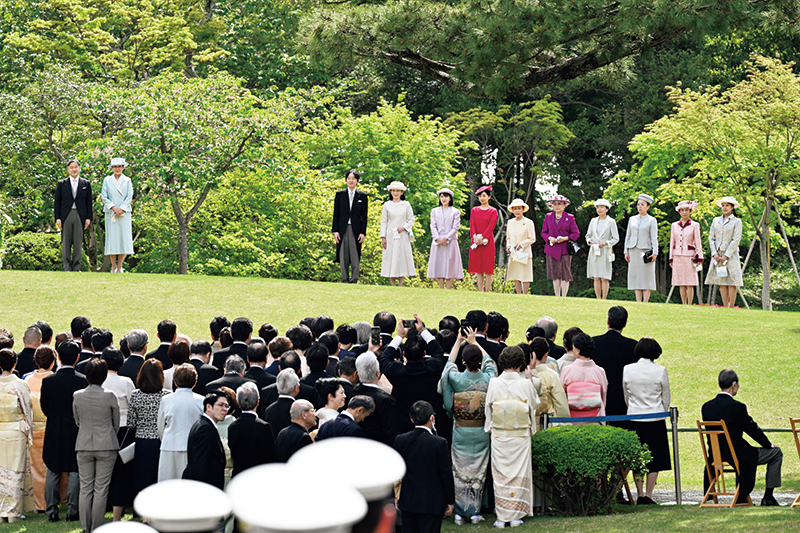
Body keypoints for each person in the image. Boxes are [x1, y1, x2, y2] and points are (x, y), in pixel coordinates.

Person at [701, 369, 782, 506]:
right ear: (734, 385)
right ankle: (768, 496)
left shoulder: (707, 407)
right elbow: (752, 429)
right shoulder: (736, 407)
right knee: (776, 453)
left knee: (740, 452)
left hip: (716, 456)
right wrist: (768, 445)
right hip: (737, 455)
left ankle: (741, 495)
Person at [440, 328, 496, 524]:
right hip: (481, 430)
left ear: (463, 362)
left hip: (461, 429)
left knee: (459, 469)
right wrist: (475, 342)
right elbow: (490, 362)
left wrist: (458, 341)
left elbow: (448, 368)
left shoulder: (456, 378)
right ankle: (474, 511)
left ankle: (459, 511)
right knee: (479, 469)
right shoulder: (488, 378)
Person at [484, 346, 538, 527]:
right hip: (519, 435)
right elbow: (534, 405)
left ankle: (502, 516)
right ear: (520, 363)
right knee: (517, 473)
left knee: (501, 475)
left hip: (500, 434)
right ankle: (515, 516)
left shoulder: (494, 383)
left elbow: (488, 410)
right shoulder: (525, 384)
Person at [379, 315, 447, 437]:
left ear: (404, 354)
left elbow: (385, 358)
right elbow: (438, 352)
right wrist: (423, 331)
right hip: (426, 423)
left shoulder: (397, 371)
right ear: (425, 353)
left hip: (403, 425)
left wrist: (399, 337)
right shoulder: (432, 368)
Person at [72, 358, 119, 533]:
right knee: (101, 488)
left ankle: (86, 527)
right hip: (106, 444)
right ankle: (97, 527)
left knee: (85, 488)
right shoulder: (109, 396)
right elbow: (116, 422)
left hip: (83, 443)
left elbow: (77, 419)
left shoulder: (77, 395)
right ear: (104, 376)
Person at [41, 340, 86, 522]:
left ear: (58, 357)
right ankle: (72, 510)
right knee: (74, 469)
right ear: (77, 358)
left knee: (53, 468)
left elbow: (45, 407)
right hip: (76, 427)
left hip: (54, 427)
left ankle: (51, 509)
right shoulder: (82, 381)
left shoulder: (49, 381)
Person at [622, 338, 671, 505]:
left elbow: (626, 396)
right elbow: (665, 397)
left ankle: (640, 493)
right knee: (655, 459)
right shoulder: (660, 370)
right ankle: (649, 494)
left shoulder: (627, 369)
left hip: (634, 417)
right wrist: (663, 411)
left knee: (637, 458)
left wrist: (633, 408)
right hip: (655, 417)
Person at [394, 401, 454, 533]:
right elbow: (445, 473)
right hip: (432, 502)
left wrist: (397, 495)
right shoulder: (439, 443)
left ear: (411, 420)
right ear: (432, 418)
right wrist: (450, 500)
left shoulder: (400, 440)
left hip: (408, 499)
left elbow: (397, 471)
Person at [100, 348, 135, 521]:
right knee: (121, 473)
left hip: (104, 429)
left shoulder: (98, 380)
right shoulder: (126, 382)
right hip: (123, 431)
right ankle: (116, 515)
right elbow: (133, 405)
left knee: (104, 471)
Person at [127, 359, 171, 495]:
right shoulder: (167, 395)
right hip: (161, 441)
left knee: (143, 477)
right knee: (159, 476)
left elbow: (131, 423)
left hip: (142, 442)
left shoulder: (135, 395)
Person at [0, 348, 34, 522]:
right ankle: (12, 512)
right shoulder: (20, 384)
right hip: (15, 430)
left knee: (1, 472)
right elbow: (28, 409)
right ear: (15, 364)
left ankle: (2, 511)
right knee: (15, 471)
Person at [157, 364, 204, 482]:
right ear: (195, 382)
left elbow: (160, 425)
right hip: (193, 447)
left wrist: (166, 439)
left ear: (175, 382)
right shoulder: (201, 401)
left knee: (167, 483)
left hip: (169, 445)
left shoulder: (166, 400)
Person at [592, 306, 638, 420]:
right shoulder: (632, 346)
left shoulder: (593, 343)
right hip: (622, 398)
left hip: (597, 396)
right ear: (625, 324)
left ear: (608, 321)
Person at [24, 345, 55, 513]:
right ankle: (55, 500)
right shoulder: (54, 379)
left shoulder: (26, 381)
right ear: (53, 362)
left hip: (33, 430)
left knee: (35, 469)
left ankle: (38, 503)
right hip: (50, 429)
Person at [228, 382, 276, 477]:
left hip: (238, 475)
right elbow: (271, 456)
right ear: (258, 402)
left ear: (238, 402)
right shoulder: (263, 426)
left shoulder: (232, 426)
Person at [54, 159, 93, 271]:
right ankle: (67, 266)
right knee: (66, 242)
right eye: (71, 167)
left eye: (76, 167)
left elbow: (88, 202)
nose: (74, 169)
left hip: (80, 215)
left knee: (78, 242)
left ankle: (77, 266)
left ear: (80, 169)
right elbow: (57, 202)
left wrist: (88, 218)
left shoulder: (86, 183)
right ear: (68, 170)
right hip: (65, 215)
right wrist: (57, 218)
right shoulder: (62, 184)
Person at [183, 391, 228, 489]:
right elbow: (200, 464)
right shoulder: (205, 428)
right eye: (220, 405)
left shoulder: (204, 424)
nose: (224, 409)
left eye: (226, 406)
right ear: (208, 407)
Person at [705, 196, 744, 308]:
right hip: (717, 255)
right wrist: (715, 253)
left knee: (732, 281)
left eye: (727, 205)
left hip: (731, 255)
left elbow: (736, 239)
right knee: (722, 280)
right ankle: (725, 305)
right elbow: (711, 238)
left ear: (732, 207)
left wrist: (726, 255)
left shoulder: (737, 221)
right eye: (723, 205)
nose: (724, 208)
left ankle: (731, 306)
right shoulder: (715, 220)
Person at [332, 169, 369, 284]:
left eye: (353, 178)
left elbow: (364, 216)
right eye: (349, 178)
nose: (351, 181)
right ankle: (344, 278)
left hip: (356, 229)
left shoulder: (362, 196)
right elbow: (336, 213)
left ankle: (354, 279)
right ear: (346, 180)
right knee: (342, 254)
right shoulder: (340, 194)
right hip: (342, 228)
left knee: (355, 254)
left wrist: (363, 232)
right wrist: (335, 231)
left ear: (357, 181)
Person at [560, 333, 607, 420]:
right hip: (594, 419)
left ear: (578, 351)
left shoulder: (567, 371)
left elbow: (561, 396)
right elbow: (603, 397)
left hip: (571, 419)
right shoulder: (599, 371)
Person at [541, 194, 580, 297]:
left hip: (565, 249)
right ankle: (557, 295)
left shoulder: (570, 217)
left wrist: (564, 238)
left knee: (565, 274)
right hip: (552, 248)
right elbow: (544, 232)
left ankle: (564, 296)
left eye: (560, 204)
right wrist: (550, 238)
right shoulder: (548, 216)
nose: (557, 206)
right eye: (555, 204)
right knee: (555, 274)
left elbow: (576, 234)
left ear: (564, 205)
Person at [101, 157, 134, 273]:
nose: (117, 169)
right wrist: (114, 208)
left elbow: (129, 196)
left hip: (124, 213)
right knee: (112, 239)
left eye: (119, 166)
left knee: (122, 239)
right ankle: (113, 266)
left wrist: (122, 209)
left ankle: (120, 267)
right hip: (111, 213)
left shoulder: (127, 180)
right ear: (112, 168)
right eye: (115, 167)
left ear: (123, 167)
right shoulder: (107, 180)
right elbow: (104, 196)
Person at [380, 181, 416, 286]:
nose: (395, 193)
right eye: (393, 191)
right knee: (391, 257)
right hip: (390, 235)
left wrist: (404, 227)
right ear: (390, 192)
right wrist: (383, 237)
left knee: (401, 257)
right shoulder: (387, 205)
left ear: (402, 192)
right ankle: (392, 283)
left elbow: (411, 219)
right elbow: (383, 221)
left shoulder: (406, 204)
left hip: (402, 235)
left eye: (398, 191)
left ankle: (401, 283)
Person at [624, 193, 659, 303]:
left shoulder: (652, 220)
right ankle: (638, 301)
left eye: (642, 204)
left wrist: (655, 252)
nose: (640, 207)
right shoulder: (632, 219)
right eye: (638, 204)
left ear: (648, 206)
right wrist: (626, 251)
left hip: (646, 251)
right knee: (636, 276)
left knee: (647, 276)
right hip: (633, 250)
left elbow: (654, 238)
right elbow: (628, 236)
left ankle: (645, 301)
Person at [427, 187, 464, 288]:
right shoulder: (434, 211)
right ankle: (440, 287)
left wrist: (446, 238)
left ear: (450, 198)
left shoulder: (455, 211)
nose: (443, 199)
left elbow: (455, 227)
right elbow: (433, 225)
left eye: (446, 197)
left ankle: (448, 287)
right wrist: (437, 238)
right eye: (441, 197)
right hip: (437, 240)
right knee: (439, 262)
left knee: (450, 263)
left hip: (451, 240)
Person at [669, 200, 704, 305]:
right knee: (680, 282)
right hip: (677, 255)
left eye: (687, 210)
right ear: (679, 212)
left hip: (689, 256)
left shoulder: (695, 225)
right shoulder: (674, 225)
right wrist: (671, 257)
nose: (684, 212)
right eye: (682, 210)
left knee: (690, 282)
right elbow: (672, 242)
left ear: (690, 211)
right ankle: (683, 303)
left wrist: (700, 257)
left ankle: (689, 303)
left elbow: (698, 241)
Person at [586, 199, 620, 299]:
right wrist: (591, 242)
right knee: (596, 277)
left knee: (604, 277)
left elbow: (616, 238)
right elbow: (588, 236)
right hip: (594, 251)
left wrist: (605, 243)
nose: (599, 209)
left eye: (601, 207)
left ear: (607, 209)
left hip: (605, 251)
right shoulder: (593, 221)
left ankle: (604, 298)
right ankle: (598, 298)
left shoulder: (611, 221)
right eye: (597, 207)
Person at [528, 337, 569, 420]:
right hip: (548, 421)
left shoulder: (524, 374)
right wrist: (566, 422)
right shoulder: (552, 375)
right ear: (546, 354)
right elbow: (560, 403)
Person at [468, 185, 498, 292]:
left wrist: (483, 237)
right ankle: (480, 290)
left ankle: (487, 290)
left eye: (484, 196)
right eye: (480, 196)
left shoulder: (493, 211)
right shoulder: (474, 210)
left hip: (487, 241)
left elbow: (491, 226)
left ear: (489, 197)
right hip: (476, 240)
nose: (482, 198)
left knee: (488, 267)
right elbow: (472, 224)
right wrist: (475, 236)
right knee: (478, 267)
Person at [505, 198, 536, 295]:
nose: (517, 211)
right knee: (516, 274)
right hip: (514, 252)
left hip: (524, 252)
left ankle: (525, 294)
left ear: (523, 209)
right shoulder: (510, 222)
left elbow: (532, 238)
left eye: (519, 208)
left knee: (525, 275)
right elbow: (508, 237)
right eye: (515, 209)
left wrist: (521, 245)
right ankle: (518, 293)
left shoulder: (528, 222)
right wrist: (509, 246)